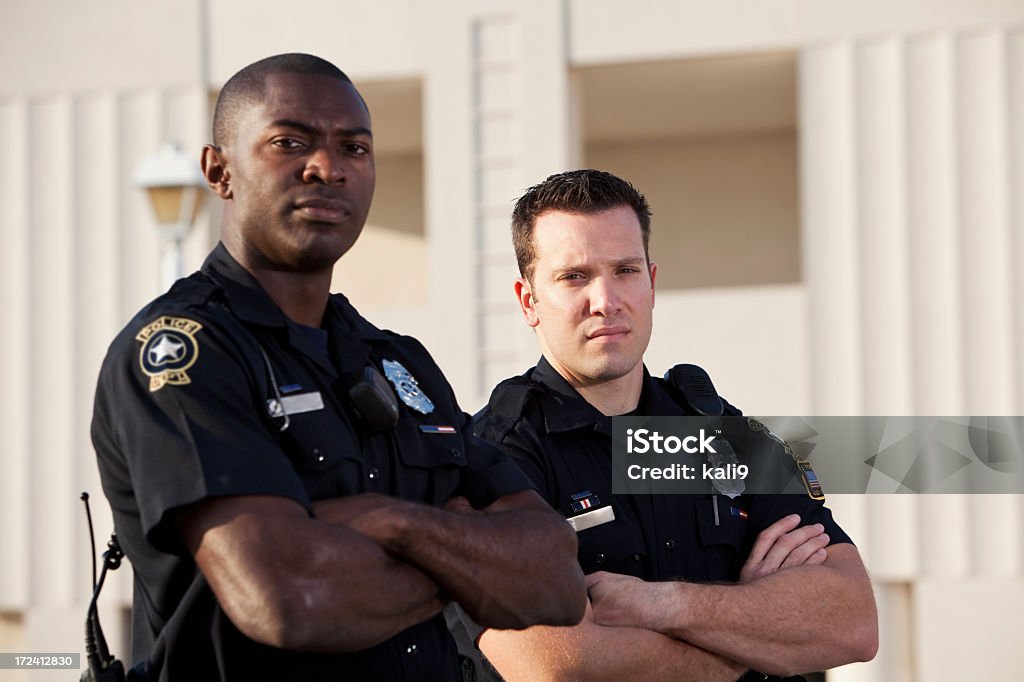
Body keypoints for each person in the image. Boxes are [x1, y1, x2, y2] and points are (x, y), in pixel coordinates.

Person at [90, 54, 586, 682]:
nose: (327, 167)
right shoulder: (184, 354)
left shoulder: (398, 362)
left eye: (354, 147)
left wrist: (394, 523)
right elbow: (288, 600)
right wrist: (469, 569)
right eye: (289, 142)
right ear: (220, 171)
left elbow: (556, 583)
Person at [458, 169, 878, 681]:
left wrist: (664, 604)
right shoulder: (495, 457)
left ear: (652, 283)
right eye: (574, 277)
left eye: (626, 270)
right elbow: (558, 667)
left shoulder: (720, 430)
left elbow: (852, 622)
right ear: (529, 302)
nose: (606, 300)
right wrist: (755, 635)